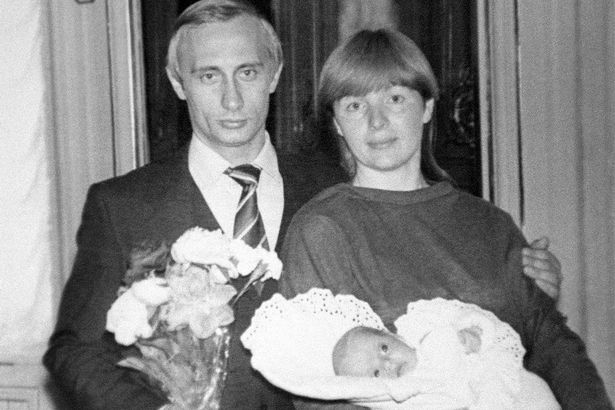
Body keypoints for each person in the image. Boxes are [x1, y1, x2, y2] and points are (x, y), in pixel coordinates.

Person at [43, 1, 561, 408]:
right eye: (209, 76)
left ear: (274, 74)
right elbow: (72, 352)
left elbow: (433, 299)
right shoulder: (121, 205)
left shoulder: (342, 189)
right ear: (179, 83)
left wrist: (520, 289)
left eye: (248, 72)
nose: (231, 99)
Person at [279, 28, 612, 409]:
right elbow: (315, 391)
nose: (376, 121)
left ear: (427, 107)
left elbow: (554, 348)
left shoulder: (491, 224)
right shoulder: (322, 230)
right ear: (337, 122)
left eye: (395, 98)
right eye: (355, 105)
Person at [241, 289, 559, 410]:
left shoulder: (422, 328)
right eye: (376, 373)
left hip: (507, 386)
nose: (389, 364)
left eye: (383, 348)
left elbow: (467, 315)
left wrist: (473, 332)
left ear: (388, 333)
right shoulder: (401, 398)